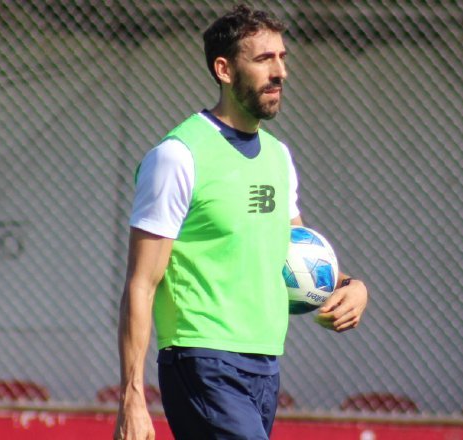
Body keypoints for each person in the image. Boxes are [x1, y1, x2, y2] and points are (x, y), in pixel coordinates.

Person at [114, 4, 368, 440]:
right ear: (224, 70)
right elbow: (141, 283)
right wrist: (131, 398)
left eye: (283, 57)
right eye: (264, 59)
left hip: (265, 364)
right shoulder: (178, 156)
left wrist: (349, 287)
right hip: (201, 360)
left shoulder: (278, 157)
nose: (280, 72)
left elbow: (291, 254)